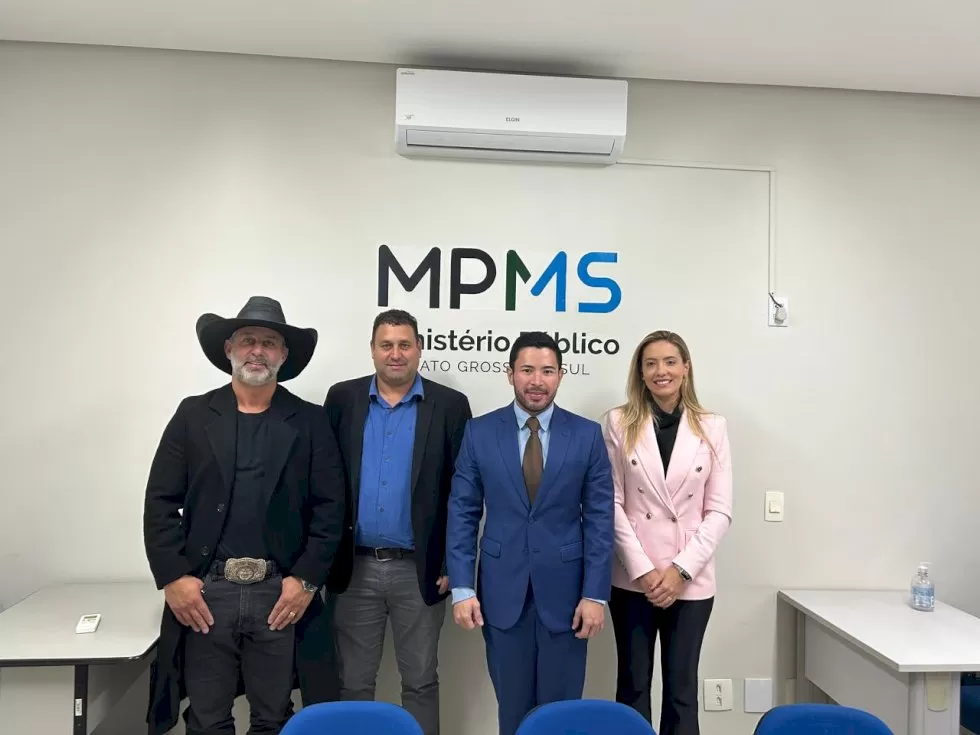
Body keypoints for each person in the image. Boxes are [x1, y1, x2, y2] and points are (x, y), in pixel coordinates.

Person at [143, 296, 346, 735]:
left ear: (283, 355)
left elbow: (331, 509)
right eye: (248, 340)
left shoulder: (310, 421)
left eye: (269, 343)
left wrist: (306, 581)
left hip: (280, 594)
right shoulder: (193, 415)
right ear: (229, 349)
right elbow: (160, 501)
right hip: (207, 593)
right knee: (206, 719)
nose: (258, 351)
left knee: (274, 718)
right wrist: (174, 578)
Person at [446, 331, 614, 735]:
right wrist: (463, 588)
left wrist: (595, 594)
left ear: (561, 375)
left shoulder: (587, 434)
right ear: (510, 374)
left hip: (568, 597)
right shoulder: (479, 432)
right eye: (527, 370)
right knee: (513, 711)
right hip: (502, 594)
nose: (537, 380)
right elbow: (463, 512)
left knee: (561, 716)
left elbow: (599, 518)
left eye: (547, 371)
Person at [323, 309, 472, 735]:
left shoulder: (450, 405)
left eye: (404, 344)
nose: (395, 353)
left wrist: (454, 563)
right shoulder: (342, 399)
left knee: (421, 681)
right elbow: (323, 481)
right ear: (372, 350)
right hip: (354, 568)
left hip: (419, 569)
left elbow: (462, 491)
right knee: (353, 682)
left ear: (419, 349)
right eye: (386, 345)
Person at [601, 330, 733, 735]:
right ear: (640, 373)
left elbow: (719, 510)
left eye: (670, 362)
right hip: (632, 579)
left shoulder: (712, 427)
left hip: (690, 580)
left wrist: (680, 571)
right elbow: (611, 503)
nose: (662, 371)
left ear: (686, 368)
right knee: (633, 686)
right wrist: (643, 570)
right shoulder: (618, 422)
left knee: (682, 691)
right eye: (651, 364)